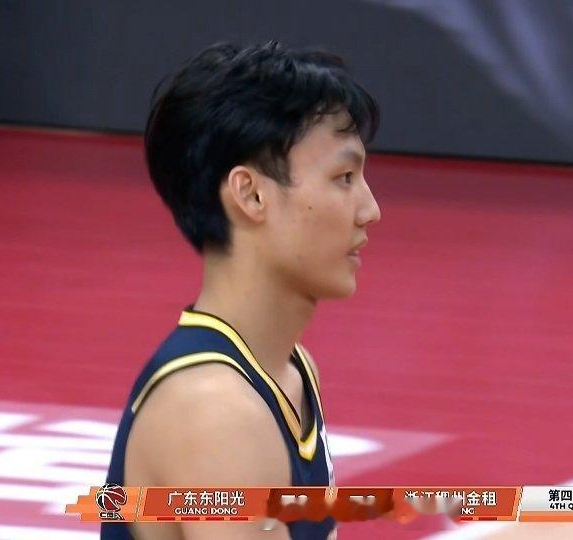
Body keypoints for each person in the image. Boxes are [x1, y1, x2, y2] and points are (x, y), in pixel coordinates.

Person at [102, 41, 381, 540]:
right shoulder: (216, 412)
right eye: (343, 177)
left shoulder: (290, 370)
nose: (370, 210)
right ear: (250, 194)